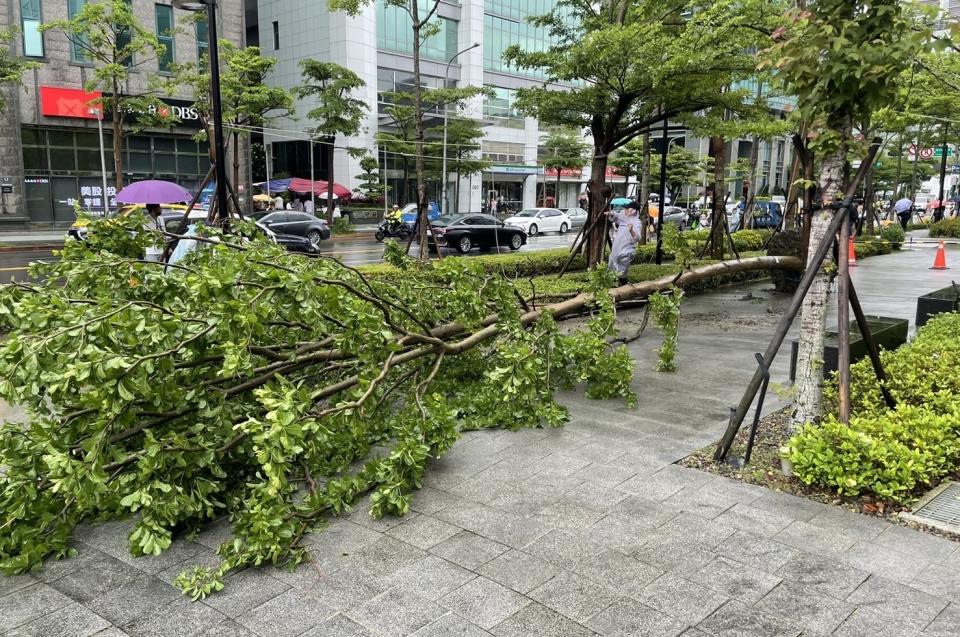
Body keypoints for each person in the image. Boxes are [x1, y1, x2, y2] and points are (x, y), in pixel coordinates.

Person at [606, 202, 642, 285]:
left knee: (621, 274)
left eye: (627, 209)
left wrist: (631, 230)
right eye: (625, 209)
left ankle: (627, 288)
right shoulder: (624, 218)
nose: (625, 211)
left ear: (634, 211)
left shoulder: (637, 222)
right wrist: (610, 213)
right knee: (612, 269)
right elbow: (616, 217)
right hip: (617, 249)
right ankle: (615, 288)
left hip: (626, 251)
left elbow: (638, 238)